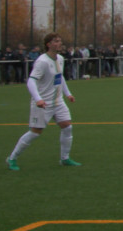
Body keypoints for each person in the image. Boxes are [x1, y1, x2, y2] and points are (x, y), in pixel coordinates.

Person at [5, 32, 82, 170]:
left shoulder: (60, 59)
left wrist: (68, 94)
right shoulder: (42, 61)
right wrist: (38, 99)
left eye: (60, 40)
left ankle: (64, 158)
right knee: (35, 132)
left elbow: (60, 77)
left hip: (58, 102)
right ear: (49, 44)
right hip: (43, 103)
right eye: (56, 41)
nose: (59, 43)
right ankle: (12, 158)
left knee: (67, 127)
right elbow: (31, 81)